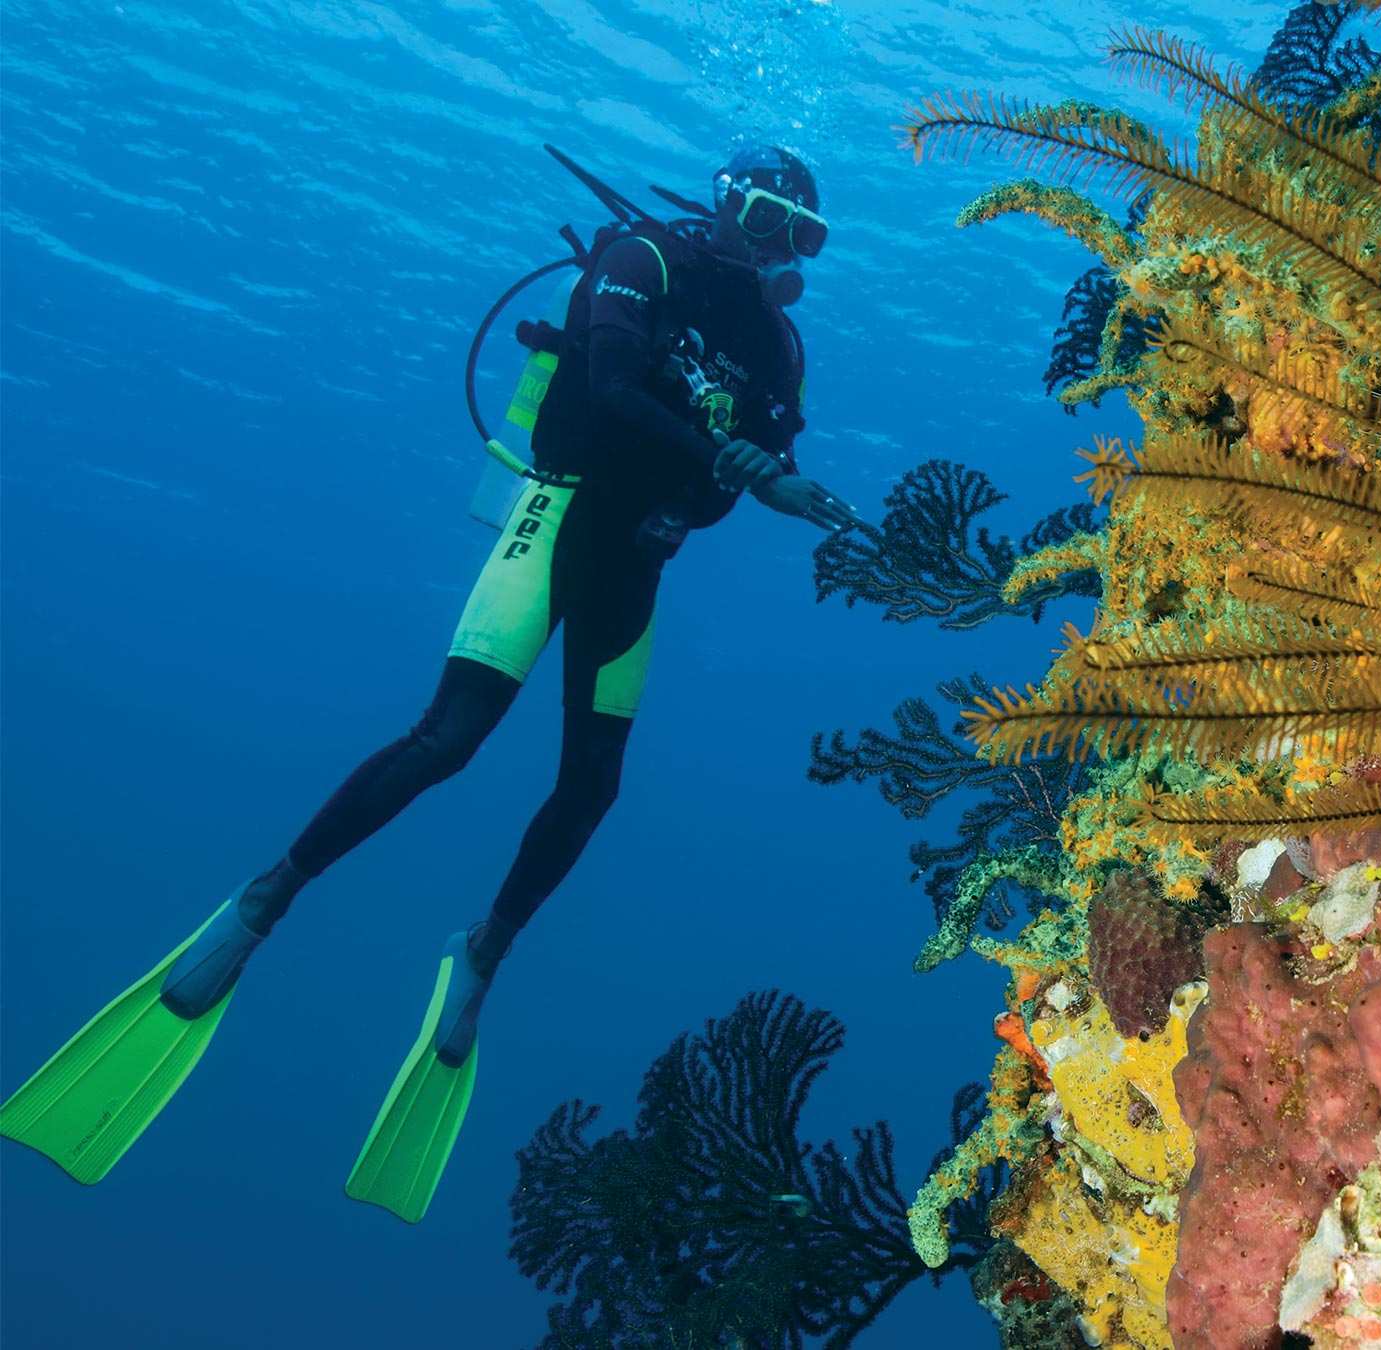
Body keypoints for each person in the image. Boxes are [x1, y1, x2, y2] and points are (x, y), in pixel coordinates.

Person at [0, 144, 865, 1221]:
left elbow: (741, 481)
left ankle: (485, 952)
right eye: (765, 216)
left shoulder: (777, 345)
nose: (775, 245)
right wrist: (728, 461)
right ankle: (268, 897)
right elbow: (603, 386)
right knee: (449, 741)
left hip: (636, 557)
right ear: (725, 202)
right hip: (555, 512)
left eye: (801, 234)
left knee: (592, 785)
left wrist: (717, 491)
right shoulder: (641, 260)